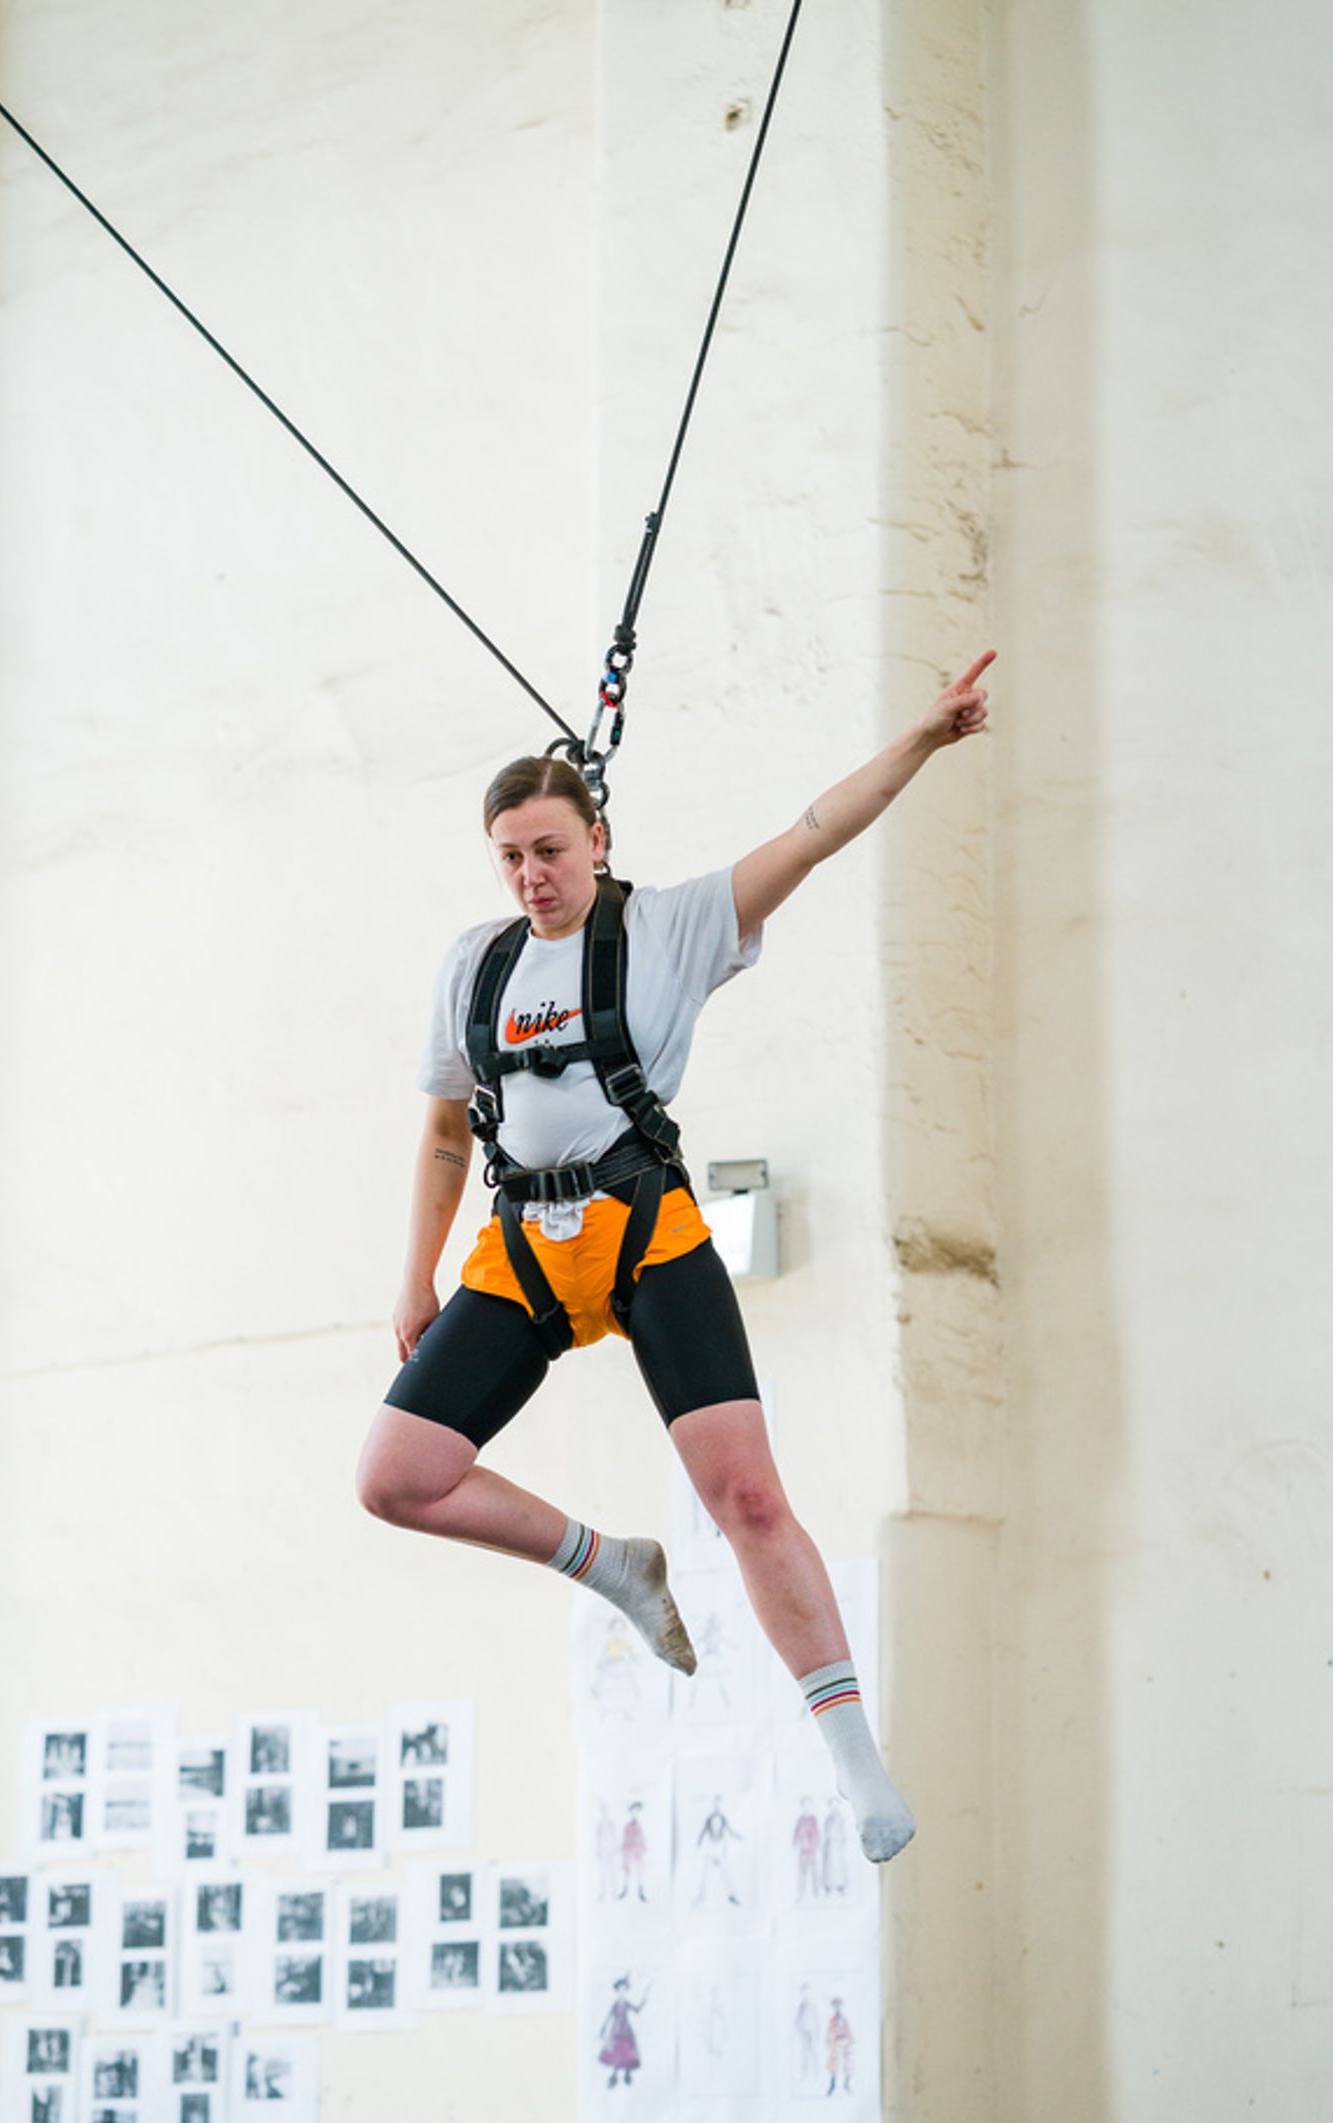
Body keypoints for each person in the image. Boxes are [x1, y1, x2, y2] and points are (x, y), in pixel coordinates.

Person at [357, 652, 995, 1866]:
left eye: (549, 848)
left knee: (747, 1497)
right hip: (520, 1251)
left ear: (596, 838)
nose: (531, 875)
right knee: (394, 1474)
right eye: (509, 855)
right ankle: (613, 1567)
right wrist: (415, 1274)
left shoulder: (673, 923)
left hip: (647, 1232)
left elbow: (811, 833)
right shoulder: (472, 966)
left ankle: (855, 1763)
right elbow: (445, 1132)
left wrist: (923, 739)